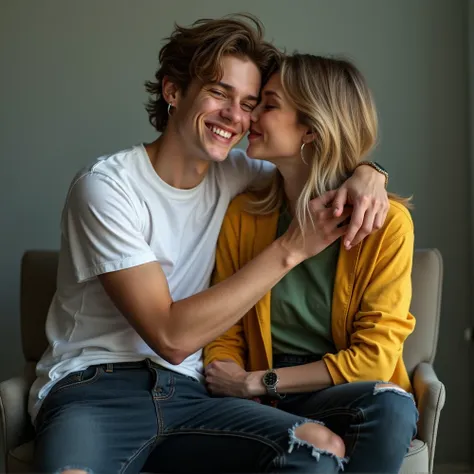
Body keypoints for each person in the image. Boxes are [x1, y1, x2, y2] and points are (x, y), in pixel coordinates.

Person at [30, 15, 390, 474]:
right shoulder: (106, 188)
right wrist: (290, 249)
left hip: (191, 395)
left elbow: (318, 164)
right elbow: (171, 338)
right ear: (173, 92)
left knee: (320, 449)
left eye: (250, 103)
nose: (236, 117)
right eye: (219, 93)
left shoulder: (242, 176)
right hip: (95, 389)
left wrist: (370, 172)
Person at [204, 53, 418, 474]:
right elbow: (224, 332)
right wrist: (231, 374)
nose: (250, 117)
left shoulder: (387, 224)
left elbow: (374, 359)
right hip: (262, 399)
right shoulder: (243, 215)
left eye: (268, 104)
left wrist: (257, 380)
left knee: (392, 408)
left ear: (312, 130)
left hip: (338, 387)